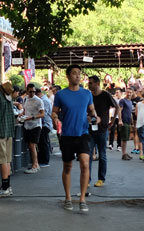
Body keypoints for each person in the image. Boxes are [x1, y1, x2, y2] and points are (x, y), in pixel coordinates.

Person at [52, 65, 98, 212]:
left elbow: (92, 111)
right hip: (67, 135)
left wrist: (95, 117)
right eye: (74, 73)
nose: (77, 76)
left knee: (85, 163)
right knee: (68, 167)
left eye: (79, 73)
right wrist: (55, 118)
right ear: (68, 76)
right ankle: (68, 198)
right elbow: (54, 112)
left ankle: (82, 199)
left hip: (83, 133)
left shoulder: (87, 94)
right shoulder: (61, 95)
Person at [88, 75, 119, 186]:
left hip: (102, 129)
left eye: (91, 83)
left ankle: (101, 178)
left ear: (97, 84)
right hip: (90, 129)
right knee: (88, 155)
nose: (89, 85)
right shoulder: (88, 95)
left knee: (102, 154)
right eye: (88, 83)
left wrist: (113, 121)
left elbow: (117, 107)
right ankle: (87, 180)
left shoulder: (106, 95)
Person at [21, 83, 45, 173]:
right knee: (30, 145)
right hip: (27, 124)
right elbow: (25, 110)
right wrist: (21, 114)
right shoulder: (25, 99)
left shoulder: (39, 101)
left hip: (36, 125)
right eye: (30, 91)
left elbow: (42, 114)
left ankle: (35, 165)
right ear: (27, 91)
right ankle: (36, 164)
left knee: (32, 145)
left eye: (34, 92)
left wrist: (32, 117)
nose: (32, 93)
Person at [37, 85, 54, 167]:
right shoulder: (44, 100)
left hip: (45, 124)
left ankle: (45, 161)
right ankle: (42, 160)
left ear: (38, 94)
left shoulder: (44, 101)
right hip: (44, 124)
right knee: (42, 142)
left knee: (43, 143)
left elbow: (44, 114)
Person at [116, 87, 135, 160]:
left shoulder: (130, 101)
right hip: (124, 121)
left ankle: (125, 153)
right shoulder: (123, 101)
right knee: (124, 138)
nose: (129, 94)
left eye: (130, 92)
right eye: (128, 92)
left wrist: (132, 123)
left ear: (132, 93)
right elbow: (119, 110)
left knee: (126, 138)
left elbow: (130, 113)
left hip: (128, 121)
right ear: (125, 93)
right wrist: (120, 120)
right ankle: (123, 154)